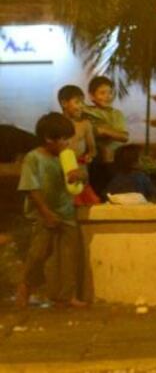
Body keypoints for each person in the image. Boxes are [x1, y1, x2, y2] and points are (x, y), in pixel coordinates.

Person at [16, 112, 87, 309]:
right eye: (63, 139)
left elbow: (80, 182)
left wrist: (79, 176)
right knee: (38, 254)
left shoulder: (67, 157)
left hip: (66, 211)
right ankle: (26, 286)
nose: (67, 143)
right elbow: (32, 187)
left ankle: (66, 296)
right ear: (49, 139)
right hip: (43, 213)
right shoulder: (34, 158)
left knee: (69, 255)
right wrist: (46, 212)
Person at [83, 76, 129, 198]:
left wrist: (104, 130)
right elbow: (91, 132)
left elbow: (124, 136)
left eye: (109, 93)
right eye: (102, 93)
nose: (107, 96)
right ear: (92, 96)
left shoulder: (117, 114)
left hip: (115, 163)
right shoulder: (86, 112)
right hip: (95, 163)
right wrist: (110, 132)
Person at [57, 85, 96, 169]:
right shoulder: (55, 124)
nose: (81, 106)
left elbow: (93, 151)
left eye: (82, 102)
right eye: (77, 102)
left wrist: (89, 156)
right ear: (64, 103)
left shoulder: (85, 124)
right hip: (59, 169)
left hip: (79, 169)